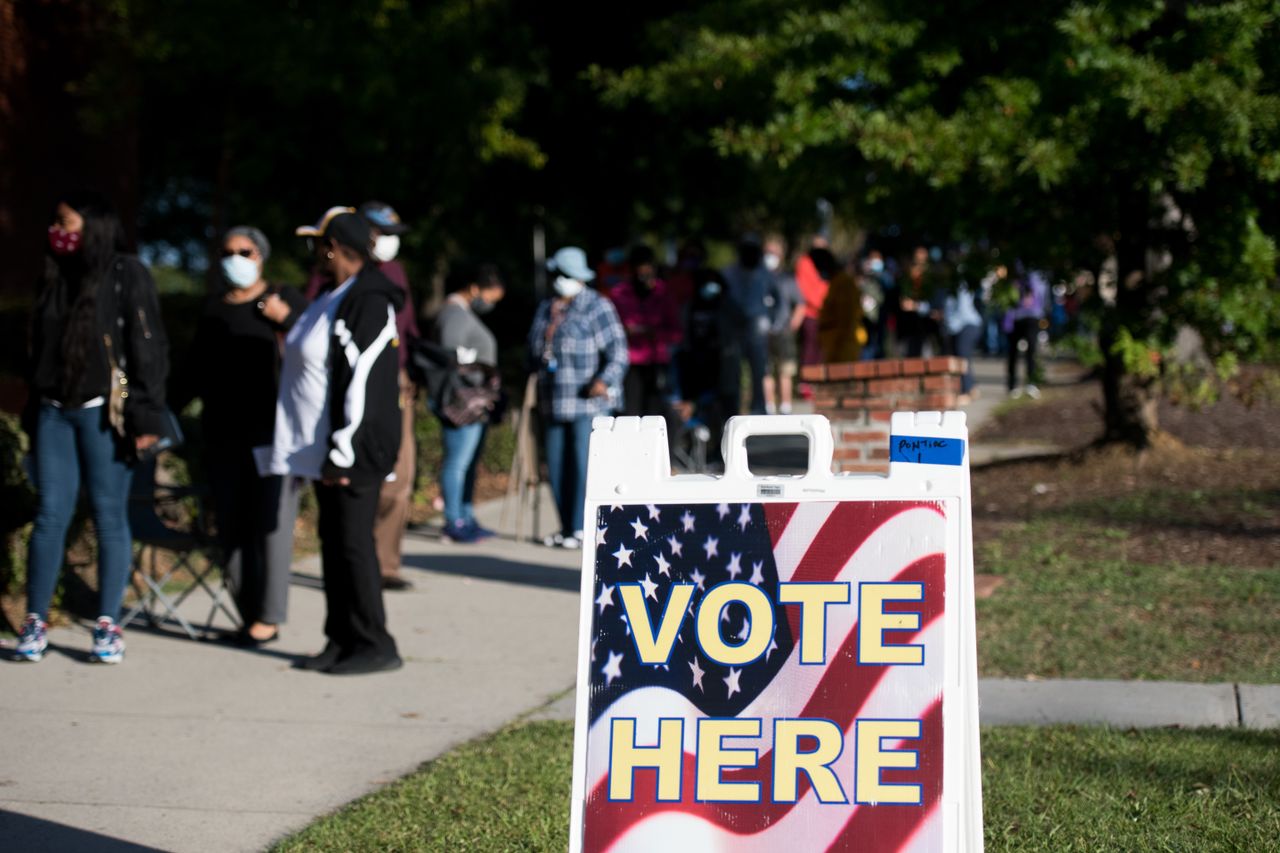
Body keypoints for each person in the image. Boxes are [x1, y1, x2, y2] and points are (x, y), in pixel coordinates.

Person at [17, 191, 169, 664]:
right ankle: (35, 621)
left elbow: (148, 347)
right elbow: (37, 351)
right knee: (50, 515)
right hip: (53, 411)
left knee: (109, 515)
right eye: (55, 223)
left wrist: (146, 416)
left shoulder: (126, 274)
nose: (58, 232)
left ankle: (107, 625)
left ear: (95, 228)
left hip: (105, 413)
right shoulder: (55, 276)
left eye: (67, 223)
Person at [266, 208, 403, 675]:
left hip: (353, 448)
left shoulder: (367, 299)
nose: (313, 254)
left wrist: (345, 447)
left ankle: (375, 643)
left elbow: (364, 378)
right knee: (333, 541)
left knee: (353, 545)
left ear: (335, 247)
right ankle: (340, 637)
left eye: (317, 245)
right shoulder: (332, 294)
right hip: (325, 448)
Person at [172, 226, 307, 646]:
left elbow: (317, 349)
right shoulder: (214, 308)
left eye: (244, 251)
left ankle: (268, 617)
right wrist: (156, 412)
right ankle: (249, 615)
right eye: (227, 252)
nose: (235, 259)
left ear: (261, 256)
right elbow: (192, 371)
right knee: (231, 530)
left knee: (270, 530)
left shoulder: (284, 299)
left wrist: (285, 319)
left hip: (272, 435)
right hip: (222, 435)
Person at [528, 246, 628, 549]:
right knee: (557, 467)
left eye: (562, 274)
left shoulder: (597, 306)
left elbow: (619, 352)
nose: (557, 280)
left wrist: (603, 380)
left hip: (589, 402)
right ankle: (567, 528)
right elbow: (532, 348)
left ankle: (586, 527)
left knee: (586, 467)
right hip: (554, 400)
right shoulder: (548, 308)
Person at [360, 201, 420, 591]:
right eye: (383, 234)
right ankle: (358, 561)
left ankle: (385, 565)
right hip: (353, 383)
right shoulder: (336, 272)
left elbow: (409, 325)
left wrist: (413, 371)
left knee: (401, 471)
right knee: (357, 476)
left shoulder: (396, 272)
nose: (389, 243)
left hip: (396, 382)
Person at [432, 262, 506, 543]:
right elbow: (453, 360)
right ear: (475, 288)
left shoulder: (462, 313)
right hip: (461, 403)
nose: (488, 304)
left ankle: (465, 514)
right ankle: (454, 520)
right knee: (457, 462)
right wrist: (480, 377)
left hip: (475, 402)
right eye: (489, 298)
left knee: (468, 463)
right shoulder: (454, 315)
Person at [609, 244, 681, 420]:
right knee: (629, 415)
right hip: (629, 363)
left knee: (654, 416)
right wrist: (624, 332)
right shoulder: (619, 294)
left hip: (656, 363)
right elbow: (610, 329)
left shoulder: (664, 293)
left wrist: (655, 334)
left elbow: (676, 333)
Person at [721, 235, 779, 415]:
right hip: (734, 331)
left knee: (758, 373)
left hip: (757, 331)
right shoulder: (728, 273)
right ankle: (733, 412)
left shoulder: (765, 274)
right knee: (733, 375)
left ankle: (759, 409)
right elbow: (722, 300)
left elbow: (778, 301)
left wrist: (772, 321)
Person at [761, 237, 805, 414]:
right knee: (766, 371)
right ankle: (768, 407)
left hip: (783, 332)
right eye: (767, 253)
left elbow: (801, 304)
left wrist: (793, 324)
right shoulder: (758, 277)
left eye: (773, 253)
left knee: (785, 370)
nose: (770, 256)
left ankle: (785, 406)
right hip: (762, 332)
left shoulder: (787, 279)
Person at [1003, 268, 1048, 398]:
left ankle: (1032, 383)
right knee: (1013, 352)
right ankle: (1012, 385)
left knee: (1032, 350)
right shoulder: (1012, 269)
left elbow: (1043, 293)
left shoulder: (1038, 272)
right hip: (1014, 316)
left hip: (1032, 316)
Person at [816, 250, 865, 363]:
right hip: (835, 346)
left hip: (843, 348)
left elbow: (846, 319)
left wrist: (838, 346)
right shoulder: (836, 283)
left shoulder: (843, 283)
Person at [942, 275, 984, 403]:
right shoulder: (945, 285)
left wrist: (950, 325)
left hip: (967, 324)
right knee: (958, 357)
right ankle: (970, 388)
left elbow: (962, 310)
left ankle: (967, 390)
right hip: (958, 326)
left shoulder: (960, 284)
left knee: (963, 357)